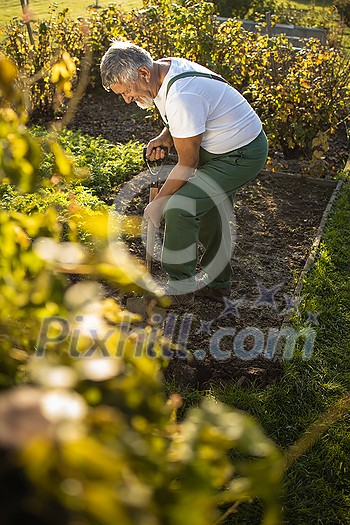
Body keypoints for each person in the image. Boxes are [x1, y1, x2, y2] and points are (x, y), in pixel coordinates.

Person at [100, 40, 268, 305]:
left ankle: (179, 288)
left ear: (143, 73)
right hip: (218, 148)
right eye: (121, 94)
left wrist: (157, 204)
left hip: (241, 154)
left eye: (128, 91)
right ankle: (218, 284)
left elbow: (188, 162)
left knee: (180, 207)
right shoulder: (163, 70)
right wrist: (167, 136)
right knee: (212, 213)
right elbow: (191, 115)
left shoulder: (181, 95)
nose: (127, 99)